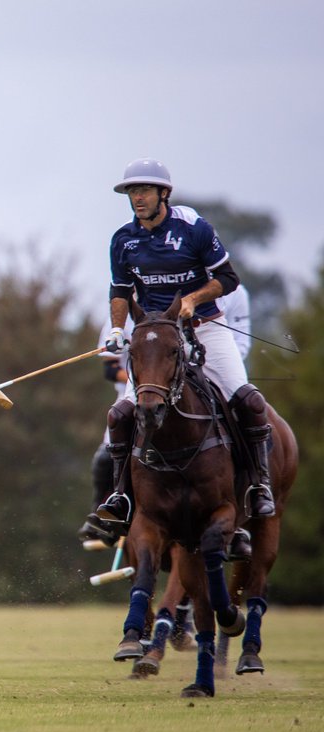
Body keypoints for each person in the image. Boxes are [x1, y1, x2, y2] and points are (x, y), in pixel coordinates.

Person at [82, 159, 275, 541]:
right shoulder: (123, 239)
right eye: (132, 192)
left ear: (163, 194)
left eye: (144, 191)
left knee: (249, 401)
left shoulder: (195, 230)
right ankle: (119, 497)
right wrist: (119, 329)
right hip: (157, 338)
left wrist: (194, 298)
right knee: (121, 414)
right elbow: (120, 290)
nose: (137, 198)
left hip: (204, 329)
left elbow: (228, 278)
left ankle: (258, 486)